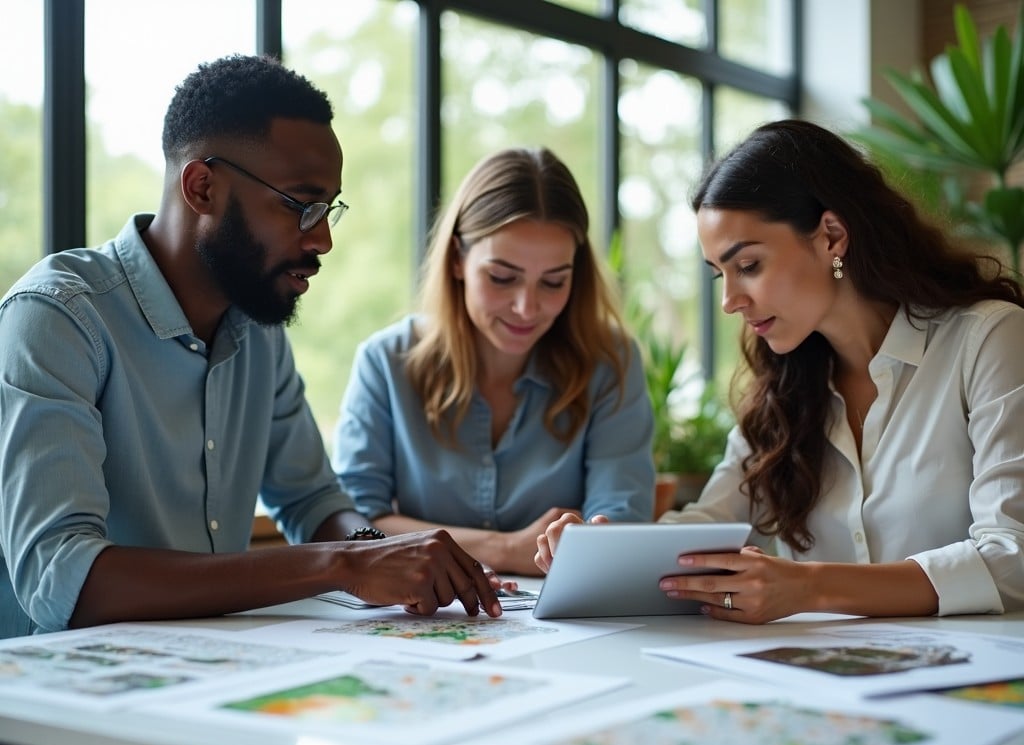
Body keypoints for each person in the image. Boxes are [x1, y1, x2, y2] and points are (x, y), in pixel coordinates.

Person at [0, 54, 501, 642]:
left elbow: (314, 501)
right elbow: (64, 579)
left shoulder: (259, 329)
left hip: (213, 675)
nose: (323, 239)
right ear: (202, 186)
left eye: (330, 208)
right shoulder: (58, 317)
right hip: (62, 707)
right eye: (300, 205)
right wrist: (346, 564)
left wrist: (391, 558)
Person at [535, 119, 1024, 623]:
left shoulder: (989, 339)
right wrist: (597, 549)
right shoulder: (784, 392)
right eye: (720, 275)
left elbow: (1013, 558)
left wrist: (810, 588)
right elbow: (707, 525)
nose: (729, 301)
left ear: (831, 236)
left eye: (747, 266)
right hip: (826, 678)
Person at [332, 147, 655, 575]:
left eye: (554, 282)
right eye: (502, 278)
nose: (527, 307)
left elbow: (620, 521)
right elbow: (356, 527)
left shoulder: (610, 363)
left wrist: (592, 539)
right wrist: (501, 549)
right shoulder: (385, 362)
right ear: (458, 260)